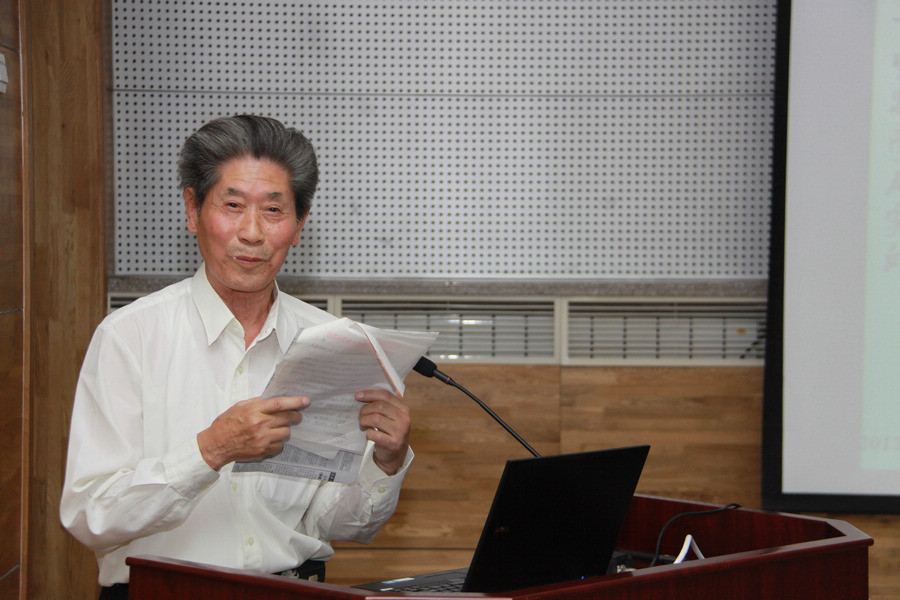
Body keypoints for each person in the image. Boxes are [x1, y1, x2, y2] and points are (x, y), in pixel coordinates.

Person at [60, 115, 413, 599]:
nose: (251, 232)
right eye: (232, 205)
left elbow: (333, 521)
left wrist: (386, 462)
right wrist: (210, 451)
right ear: (192, 210)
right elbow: (90, 516)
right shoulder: (131, 336)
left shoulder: (331, 342)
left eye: (274, 210)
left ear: (299, 224)